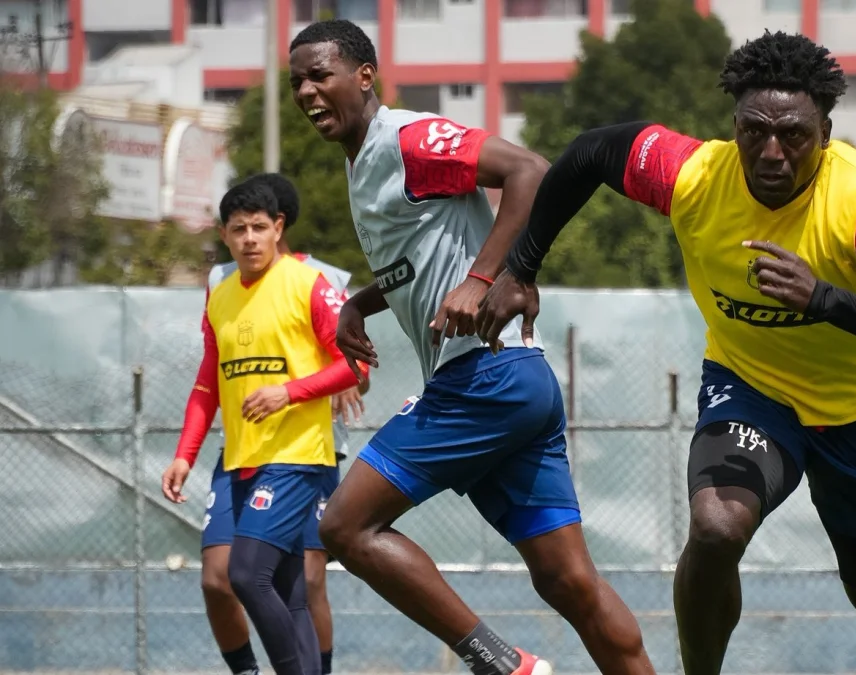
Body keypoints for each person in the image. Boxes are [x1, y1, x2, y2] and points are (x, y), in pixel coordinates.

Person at [476, 30, 856, 675]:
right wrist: (521, 267)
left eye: (793, 135)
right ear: (732, 124)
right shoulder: (693, 174)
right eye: (753, 130)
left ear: (825, 130)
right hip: (751, 388)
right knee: (714, 529)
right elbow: (591, 153)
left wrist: (823, 299)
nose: (771, 152)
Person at [287, 19, 654, 675]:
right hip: (514, 385)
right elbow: (418, 260)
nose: (307, 91)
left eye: (320, 74)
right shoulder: (366, 164)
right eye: (297, 82)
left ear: (364, 76)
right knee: (569, 583)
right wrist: (361, 304)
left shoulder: (407, 137)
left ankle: (502, 664)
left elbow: (529, 171)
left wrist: (487, 277)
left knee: (344, 526)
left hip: (485, 380)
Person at [161, 172, 367, 675]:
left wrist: (291, 391)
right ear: (225, 235)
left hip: (298, 456)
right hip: (238, 458)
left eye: (258, 227)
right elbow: (208, 381)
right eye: (238, 229)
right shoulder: (221, 292)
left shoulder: (314, 283)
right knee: (262, 584)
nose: (249, 238)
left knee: (253, 574)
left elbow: (357, 366)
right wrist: (184, 454)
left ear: (279, 227)